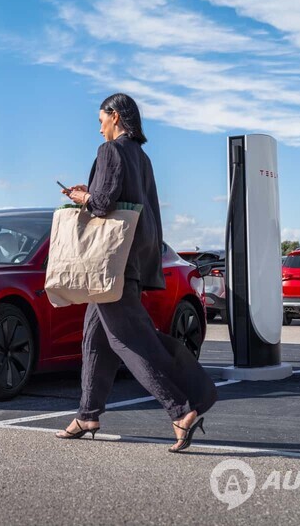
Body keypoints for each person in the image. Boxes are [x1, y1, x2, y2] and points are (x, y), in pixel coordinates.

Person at [55, 93, 205, 453]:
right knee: (95, 340)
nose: (99, 125)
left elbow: (104, 204)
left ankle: (181, 410)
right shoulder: (143, 158)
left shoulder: (110, 151)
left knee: (128, 340)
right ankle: (88, 414)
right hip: (131, 260)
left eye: (102, 118)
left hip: (111, 266)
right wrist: (91, 193)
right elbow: (142, 209)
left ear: (116, 117)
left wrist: (83, 197)